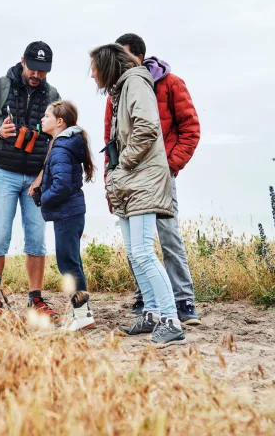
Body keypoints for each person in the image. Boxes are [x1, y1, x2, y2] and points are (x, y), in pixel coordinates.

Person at [91, 43, 185, 345]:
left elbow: (147, 127)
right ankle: (153, 313)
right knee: (134, 252)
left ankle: (171, 320)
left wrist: (125, 163)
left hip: (141, 178)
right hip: (131, 180)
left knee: (144, 252)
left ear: (107, 66)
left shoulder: (135, 82)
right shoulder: (123, 88)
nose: (92, 74)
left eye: (94, 68)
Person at [104, 33, 201, 325]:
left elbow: (190, 129)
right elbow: (111, 137)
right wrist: (112, 176)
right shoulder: (116, 91)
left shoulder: (171, 84)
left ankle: (184, 302)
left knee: (168, 236)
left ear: (138, 57)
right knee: (135, 242)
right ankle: (147, 299)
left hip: (158, 175)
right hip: (128, 178)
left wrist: (169, 166)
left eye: (123, 57)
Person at [0, 42, 61, 318]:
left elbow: (58, 136)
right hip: (4, 174)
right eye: (33, 68)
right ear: (22, 61)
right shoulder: (0, 87)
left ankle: (36, 299)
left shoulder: (53, 94)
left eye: (43, 71)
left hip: (36, 177)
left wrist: (45, 174)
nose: (37, 74)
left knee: (37, 239)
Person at [38, 100, 96, 331]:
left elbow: (61, 185)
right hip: (71, 211)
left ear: (59, 122)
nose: (42, 119)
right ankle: (82, 313)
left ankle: (82, 316)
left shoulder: (61, 147)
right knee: (72, 262)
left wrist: (44, 196)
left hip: (67, 212)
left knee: (68, 265)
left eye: (47, 115)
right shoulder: (66, 144)